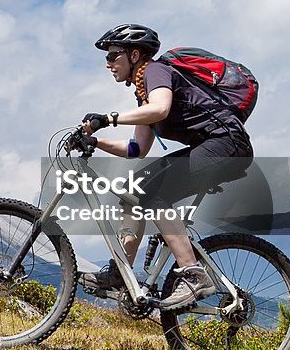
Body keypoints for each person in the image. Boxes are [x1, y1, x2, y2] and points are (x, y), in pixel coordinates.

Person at [78, 23, 254, 310]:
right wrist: (96, 142)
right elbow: (136, 149)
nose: (107, 64)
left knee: (156, 194)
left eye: (112, 56)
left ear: (134, 54)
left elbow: (160, 109)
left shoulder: (156, 71)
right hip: (210, 146)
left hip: (227, 144)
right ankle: (121, 272)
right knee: (134, 192)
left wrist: (108, 118)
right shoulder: (142, 92)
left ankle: (194, 275)